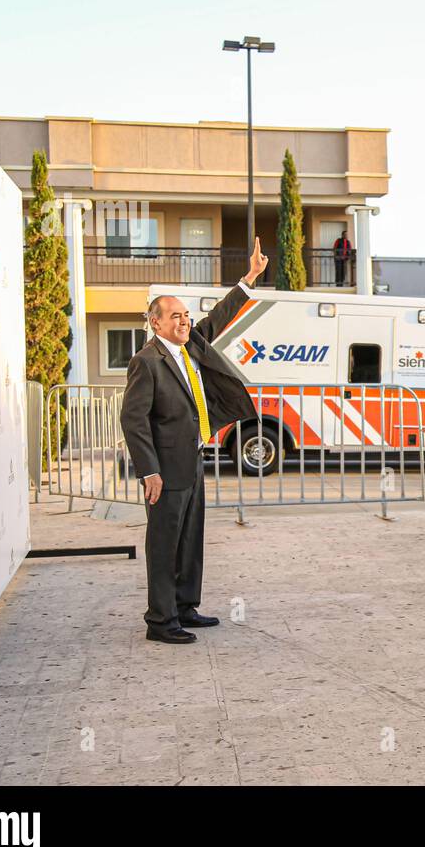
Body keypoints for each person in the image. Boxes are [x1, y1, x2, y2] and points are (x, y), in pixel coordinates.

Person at [120, 236, 269, 644]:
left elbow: (220, 316)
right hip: (165, 471)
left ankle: (186, 607)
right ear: (156, 322)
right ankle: (161, 620)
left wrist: (250, 277)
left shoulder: (192, 345)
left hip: (192, 459)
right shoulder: (147, 360)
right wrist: (148, 470)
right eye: (175, 316)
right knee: (164, 545)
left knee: (190, 540)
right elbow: (133, 420)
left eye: (185, 315)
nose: (183, 321)